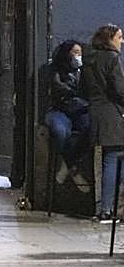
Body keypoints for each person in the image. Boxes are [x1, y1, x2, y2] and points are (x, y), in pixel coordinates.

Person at [81, 25, 124, 223]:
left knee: (107, 159)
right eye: (119, 37)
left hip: (95, 112)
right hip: (112, 114)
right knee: (113, 159)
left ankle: (104, 208)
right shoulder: (112, 59)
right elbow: (119, 88)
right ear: (109, 39)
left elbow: (83, 89)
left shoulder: (89, 60)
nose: (121, 41)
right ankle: (108, 210)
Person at [45, 40, 91, 190]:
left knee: (90, 127)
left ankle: (67, 164)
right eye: (75, 52)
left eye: (80, 53)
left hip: (80, 109)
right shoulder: (55, 70)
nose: (79, 56)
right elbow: (58, 89)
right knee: (60, 131)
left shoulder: (84, 70)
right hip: (59, 109)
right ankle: (73, 167)